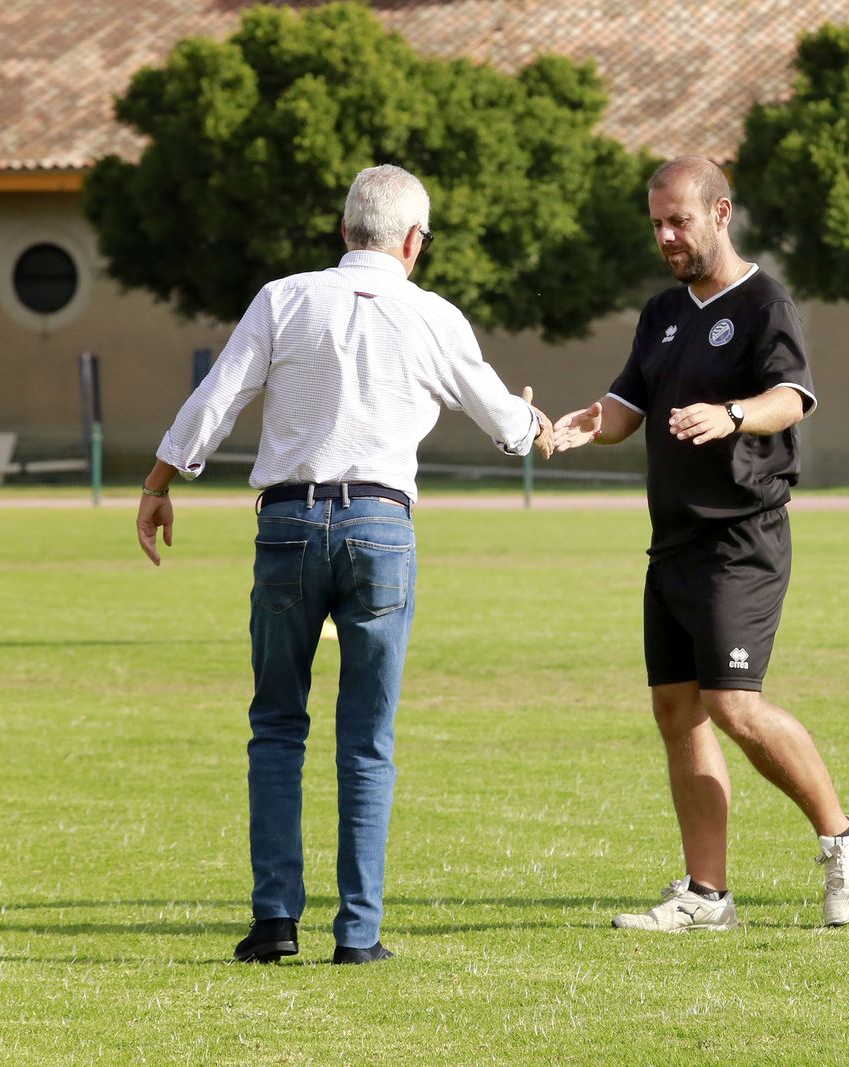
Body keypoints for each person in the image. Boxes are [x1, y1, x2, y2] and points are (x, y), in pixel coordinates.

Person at [136, 164, 553, 963]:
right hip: (382, 528)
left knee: (276, 725)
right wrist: (535, 421)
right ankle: (358, 933)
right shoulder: (433, 315)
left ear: (343, 230)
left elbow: (216, 398)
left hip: (288, 523)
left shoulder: (283, 297)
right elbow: (506, 423)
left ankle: (273, 921)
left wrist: (159, 482)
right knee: (367, 737)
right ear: (414, 241)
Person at [551, 156, 849, 931]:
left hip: (741, 536)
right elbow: (626, 406)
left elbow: (790, 398)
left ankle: (845, 838)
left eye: (680, 221)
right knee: (678, 710)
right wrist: (582, 424)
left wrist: (731, 414)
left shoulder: (766, 302)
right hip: (672, 540)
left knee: (733, 703)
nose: (667, 236)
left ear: (721, 213)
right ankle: (707, 894)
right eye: (657, 223)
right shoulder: (662, 311)